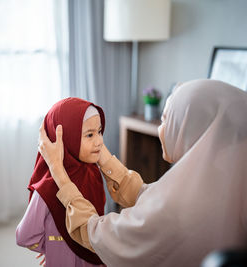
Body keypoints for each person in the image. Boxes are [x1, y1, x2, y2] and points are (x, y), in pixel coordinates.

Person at [37, 79, 247, 267]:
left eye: (165, 119)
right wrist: (104, 157)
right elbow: (148, 195)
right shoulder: (225, 181)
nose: (160, 129)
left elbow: (97, 234)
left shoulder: (175, 209)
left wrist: (59, 172)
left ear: (189, 129)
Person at [16, 97, 140, 266]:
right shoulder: (48, 187)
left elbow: (96, 225)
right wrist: (53, 245)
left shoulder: (92, 173)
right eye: (89, 134)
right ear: (66, 139)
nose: (100, 141)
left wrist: (53, 245)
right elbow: (24, 235)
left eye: (99, 131)